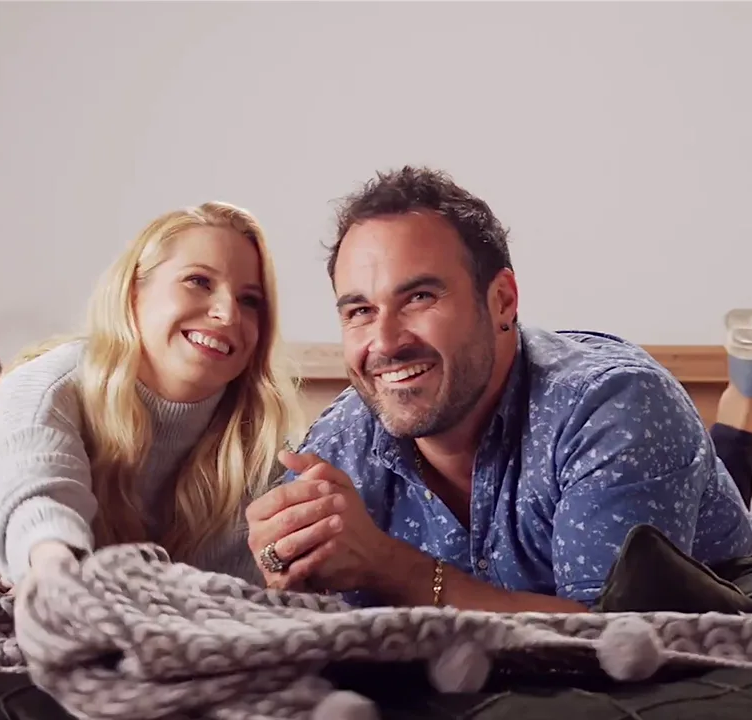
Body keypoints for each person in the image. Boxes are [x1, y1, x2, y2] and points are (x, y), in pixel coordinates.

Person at [244, 166, 752, 613]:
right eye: (359, 311)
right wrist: (283, 568)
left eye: (420, 297)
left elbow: (619, 646)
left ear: (503, 301)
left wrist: (391, 568)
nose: (385, 342)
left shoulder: (614, 406)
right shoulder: (339, 446)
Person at [0, 202, 302, 593]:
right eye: (199, 281)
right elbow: (41, 502)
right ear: (133, 292)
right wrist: (50, 569)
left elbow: (253, 592)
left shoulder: (260, 443)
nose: (227, 314)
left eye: (250, 300)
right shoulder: (49, 386)